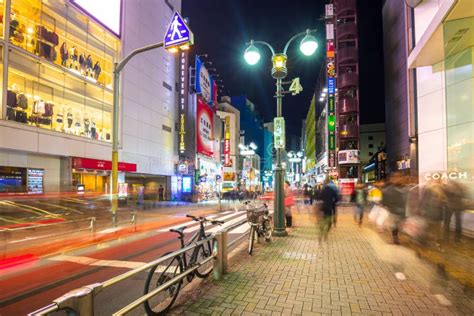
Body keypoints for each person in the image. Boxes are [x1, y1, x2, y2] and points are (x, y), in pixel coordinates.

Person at [382, 172, 408, 244]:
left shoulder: (407, 189)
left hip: (404, 212)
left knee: (401, 226)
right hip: (393, 212)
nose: (398, 179)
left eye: (400, 177)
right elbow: (384, 202)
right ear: (392, 179)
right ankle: (395, 237)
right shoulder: (387, 190)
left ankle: (397, 237)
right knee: (395, 226)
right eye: (396, 178)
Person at [318, 177, 339, 242]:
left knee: (323, 220)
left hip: (323, 208)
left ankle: (322, 231)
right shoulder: (332, 189)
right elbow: (337, 198)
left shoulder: (322, 190)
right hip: (329, 207)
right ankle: (326, 232)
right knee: (329, 222)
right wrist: (333, 202)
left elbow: (319, 198)